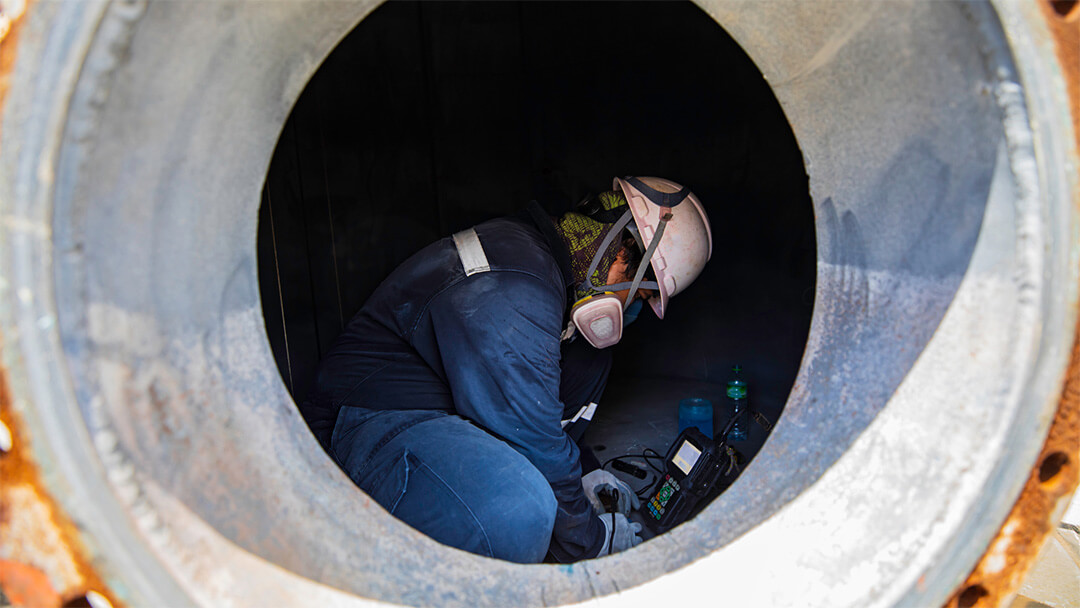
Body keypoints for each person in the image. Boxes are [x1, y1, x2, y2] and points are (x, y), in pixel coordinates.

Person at [298, 176, 712, 563]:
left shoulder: (538, 262)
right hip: (365, 421)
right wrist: (592, 541)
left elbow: (541, 412)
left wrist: (587, 472)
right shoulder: (516, 288)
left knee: (588, 367)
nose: (627, 307)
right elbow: (535, 439)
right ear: (616, 249)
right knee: (519, 508)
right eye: (633, 289)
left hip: (435, 413)